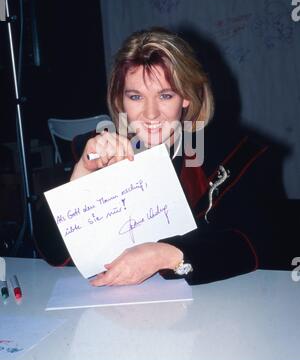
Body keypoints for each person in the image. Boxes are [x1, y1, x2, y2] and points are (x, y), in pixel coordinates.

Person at [35, 27, 298, 285]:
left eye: (165, 95)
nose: (150, 114)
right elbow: (55, 254)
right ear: (119, 101)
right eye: (136, 96)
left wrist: (165, 255)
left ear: (186, 97)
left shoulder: (231, 153)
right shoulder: (103, 150)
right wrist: (81, 175)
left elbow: (261, 243)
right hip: (124, 312)